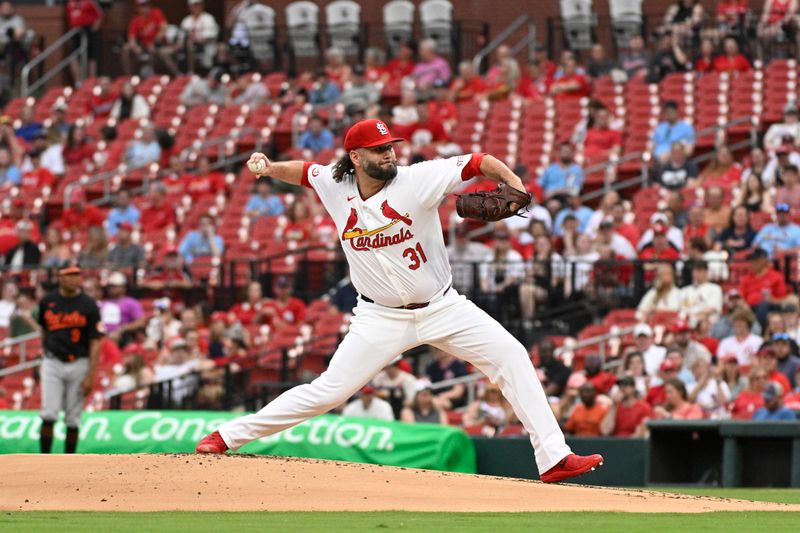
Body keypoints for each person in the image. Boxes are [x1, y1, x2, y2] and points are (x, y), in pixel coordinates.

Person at [196, 119, 604, 483]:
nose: (389, 153)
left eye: (391, 146)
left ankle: (554, 457)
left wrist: (516, 185)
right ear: (355, 157)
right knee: (328, 392)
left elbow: (480, 160)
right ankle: (227, 435)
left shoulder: (417, 179)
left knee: (512, 355)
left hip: (443, 307)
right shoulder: (336, 184)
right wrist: (268, 168)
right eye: (379, 149)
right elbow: (305, 172)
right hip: (379, 317)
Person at [36, 265, 102, 453]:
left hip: (79, 362)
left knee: (73, 417)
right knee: (49, 413)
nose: (75, 278)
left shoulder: (88, 304)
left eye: (77, 274)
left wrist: (91, 374)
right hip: (53, 360)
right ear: (60, 277)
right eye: (70, 275)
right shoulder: (47, 302)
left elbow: (96, 341)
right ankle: (43, 459)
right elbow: (43, 330)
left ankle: (69, 460)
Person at [122, 0, 167, 76]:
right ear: (137, 8)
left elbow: (163, 28)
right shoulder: (136, 20)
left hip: (157, 44)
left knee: (151, 48)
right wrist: (135, 47)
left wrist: (156, 41)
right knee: (126, 48)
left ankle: (153, 76)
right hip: (143, 45)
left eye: (146, 5)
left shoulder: (156, 13)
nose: (145, 8)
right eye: (142, 6)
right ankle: (129, 75)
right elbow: (131, 38)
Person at [100, 271, 146, 345]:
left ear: (123, 287)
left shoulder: (131, 302)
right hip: (102, 333)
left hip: (122, 337)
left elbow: (140, 322)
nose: (111, 288)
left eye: (114, 286)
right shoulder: (103, 303)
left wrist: (123, 329)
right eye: (109, 286)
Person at [66, 0, 103, 81]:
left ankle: (91, 80)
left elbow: (99, 15)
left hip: (89, 30)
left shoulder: (90, 2)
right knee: (72, 56)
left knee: (92, 57)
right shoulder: (70, 3)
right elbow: (69, 17)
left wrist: (94, 29)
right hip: (76, 31)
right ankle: (78, 82)